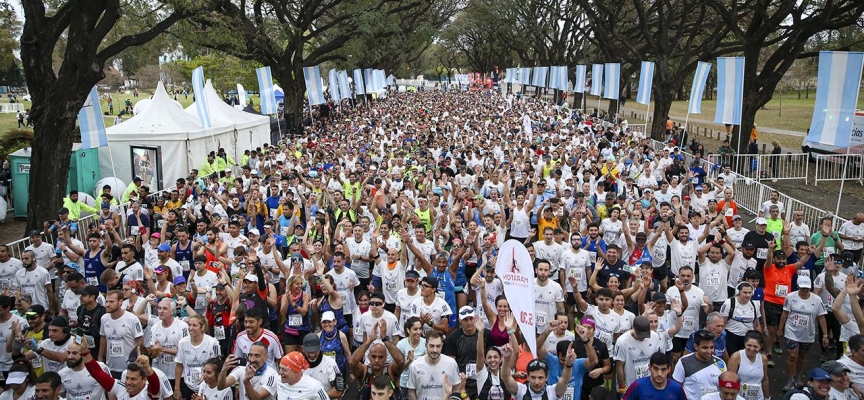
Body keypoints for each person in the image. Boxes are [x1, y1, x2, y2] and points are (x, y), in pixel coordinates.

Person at [779, 275, 828, 391]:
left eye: (807, 288)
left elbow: (821, 318)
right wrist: (780, 329)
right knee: (792, 355)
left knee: (801, 356)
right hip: (792, 331)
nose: (805, 290)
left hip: (807, 333)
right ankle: (790, 379)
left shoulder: (817, 300)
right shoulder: (790, 297)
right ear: (798, 286)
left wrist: (825, 335)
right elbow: (785, 313)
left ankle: (797, 375)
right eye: (802, 288)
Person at [78, 335, 163, 400]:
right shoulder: (121, 388)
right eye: (127, 378)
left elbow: (155, 385)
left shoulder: (147, 394)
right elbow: (97, 373)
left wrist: (147, 368)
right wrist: (85, 352)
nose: (128, 382)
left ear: (144, 380)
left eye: (133, 379)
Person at [99, 290, 144, 379]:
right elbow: (103, 338)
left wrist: (135, 359)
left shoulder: (132, 319)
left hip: (128, 367)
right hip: (110, 365)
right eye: (107, 301)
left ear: (120, 302)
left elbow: (139, 341)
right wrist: (100, 358)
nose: (108, 304)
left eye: (111, 302)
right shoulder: (104, 318)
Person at [174, 315, 221, 399]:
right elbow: (179, 366)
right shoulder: (182, 342)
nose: (190, 328)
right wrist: (177, 388)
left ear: (202, 327)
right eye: (189, 325)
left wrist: (206, 375)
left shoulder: (212, 343)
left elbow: (218, 366)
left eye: (194, 325)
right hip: (187, 385)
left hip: (206, 385)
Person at [407, 330, 462, 400]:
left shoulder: (451, 364)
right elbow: (411, 392)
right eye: (431, 346)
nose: (435, 350)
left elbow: (457, 389)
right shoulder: (415, 366)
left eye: (438, 346)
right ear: (426, 344)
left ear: (442, 345)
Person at [673, 329, 727, 400]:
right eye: (705, 348)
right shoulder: (684, 362)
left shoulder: (720, 363)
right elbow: (676, 389)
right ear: (695, 346)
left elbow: (724, 388)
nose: (709, 351)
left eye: (711, 347)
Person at [615, 316, 666, 389]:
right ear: (633, 327)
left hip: (650, 384)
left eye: (645, 335)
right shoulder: (622, 341)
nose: (642, 338)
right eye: (640, 335)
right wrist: (622, 387)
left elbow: (657, 361)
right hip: (630, 385)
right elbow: (619, 366)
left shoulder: (655, 336)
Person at [622, 352, 688, 400]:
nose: (659, 374)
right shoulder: (637, 386)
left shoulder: (676, 388)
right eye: (656, 368)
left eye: (663, 369)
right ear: (649, 367)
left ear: (669, 370)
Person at [728, 331, 770, 400]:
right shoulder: (736, 357)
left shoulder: (763, 359)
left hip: (758, 397)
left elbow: (765, 379)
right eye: (749, 345)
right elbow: (730, 380)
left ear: (760, 346)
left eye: (755, 346)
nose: (752, 349)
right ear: (745, 344)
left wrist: (767, 397)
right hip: (739, 397)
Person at [300, 333, 343, 398]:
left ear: (320, 346)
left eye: (315, 351)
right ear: (303, 348)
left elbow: (339, 391)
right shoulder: (297, 365)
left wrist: (316, 397)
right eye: (309, 352)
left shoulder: (330, 363)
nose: (312, 355)